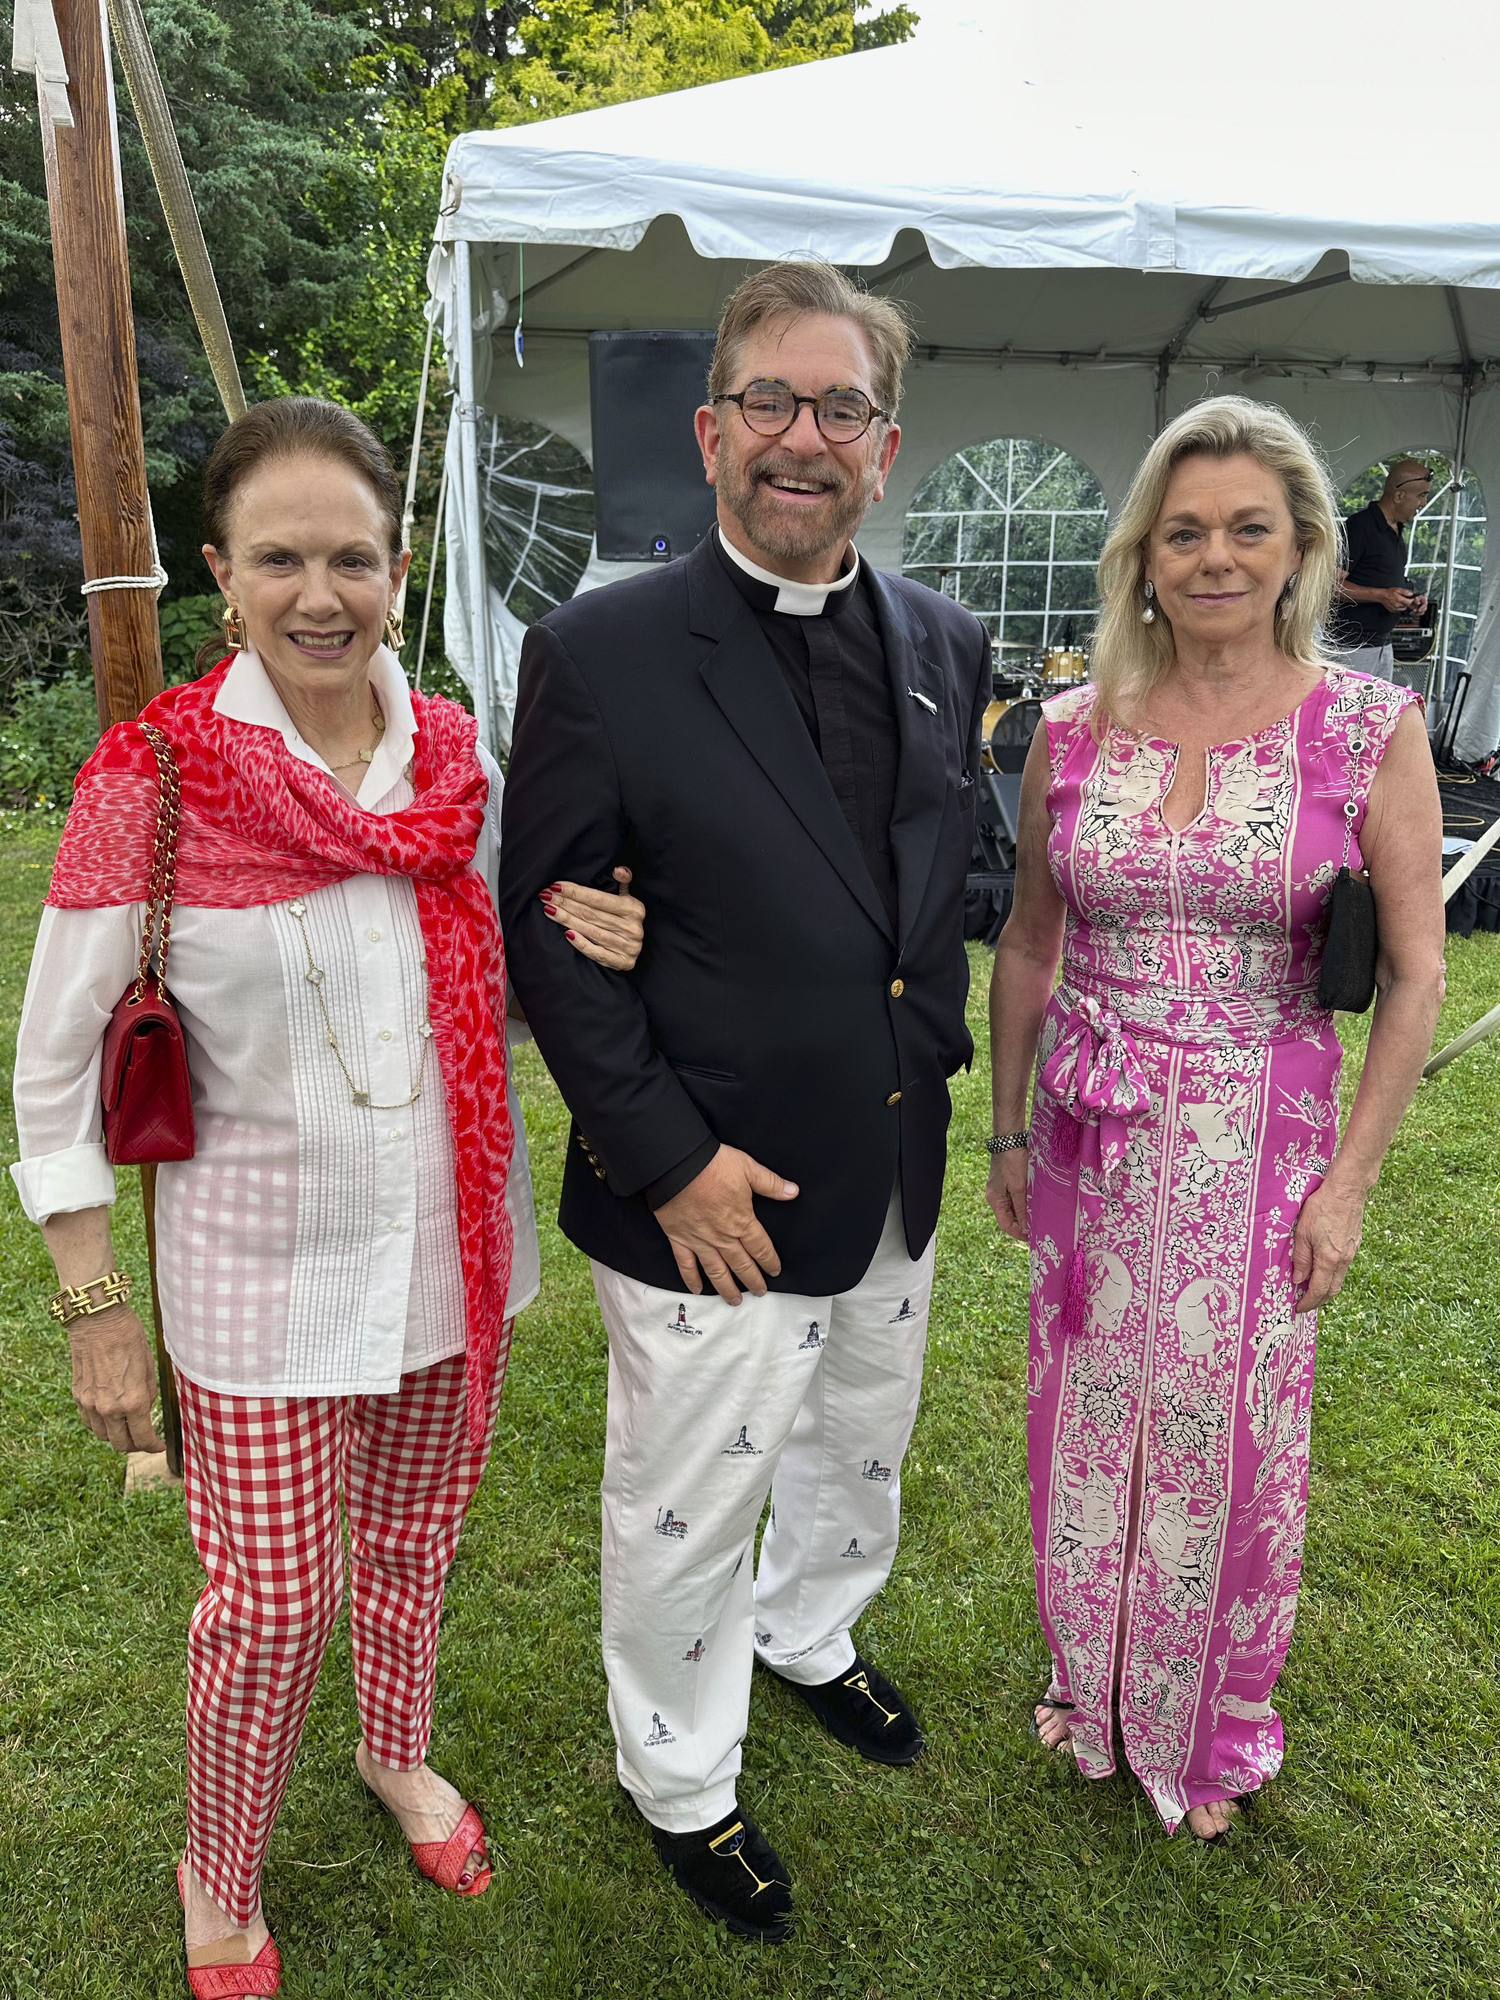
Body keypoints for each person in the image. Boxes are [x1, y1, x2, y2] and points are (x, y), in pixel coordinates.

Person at [12, 398, 644, 1997]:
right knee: (274, 1604)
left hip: (448, 1256)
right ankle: (215, 1870)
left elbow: (482, 989)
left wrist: (582, 940)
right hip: (258, 1285)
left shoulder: (454, 760)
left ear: (398, 562)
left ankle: (394, 1752)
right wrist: (98, 1313)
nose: (319, 594)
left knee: (418, 1544)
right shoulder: (151, 779)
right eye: (279, 558)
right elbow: (50, 1071)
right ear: (221, 573)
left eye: (349, 557)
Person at [496, 262, 990, 1941]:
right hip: (708, 1185)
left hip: (893, 1156)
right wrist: (672, 1162)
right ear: (710, 435)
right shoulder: (599, 651)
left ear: (887, 443)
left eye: (839, 407)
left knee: (860, 1452)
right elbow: (553, 943)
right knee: (687, 1505)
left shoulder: (943, 640)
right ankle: (681, 1779)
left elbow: (952, 871)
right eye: (771, 403)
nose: (804, 437)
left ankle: (813, 1635)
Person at [986, 397, 1444, 1842]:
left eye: (1249, 528)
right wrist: (1004, 1128)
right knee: (1088, 1414)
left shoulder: (1368, 728)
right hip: (1091, 1134)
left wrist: (1353, 1184)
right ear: (1144, 553)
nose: (1216, 557)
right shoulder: (1071, 727)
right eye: (1185, 531)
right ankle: (1094, 1691)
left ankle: (1212, 1722)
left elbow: (1419, 970)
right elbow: (1028, 942)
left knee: (1230, 1431)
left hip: (1269, 1143)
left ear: (1303, 545)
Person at [1327, 457, 1433, 679]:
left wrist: (1410, 600)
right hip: (1351, 647)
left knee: (1377, 713)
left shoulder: (1396, 530)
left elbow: (1381, 579)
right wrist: (1381, 595)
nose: (1423, 503)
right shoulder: (1360, 527)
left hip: (1383, 644)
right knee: (1348, 713)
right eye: (1421, 495)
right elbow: (1329, 587)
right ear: (1399, 496)